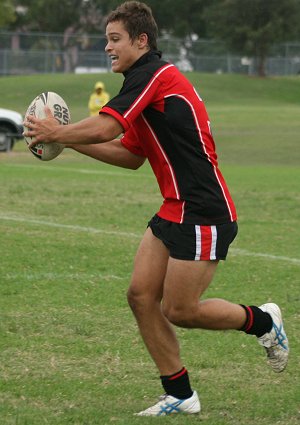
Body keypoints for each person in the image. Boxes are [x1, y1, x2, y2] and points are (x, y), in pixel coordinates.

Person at [24, 1, 289, 417]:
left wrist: (58, 131)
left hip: (203, 209)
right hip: (175, 207)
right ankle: (181, 394)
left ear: (141, 41)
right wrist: (67, 142)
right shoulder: (141, 82)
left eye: (115, 40)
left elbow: (108, 126)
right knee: (140, 295)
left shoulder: (155, 76)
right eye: (106, 40)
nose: (107, 48)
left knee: (180, 310)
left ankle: (262, 321)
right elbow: (131, 155)